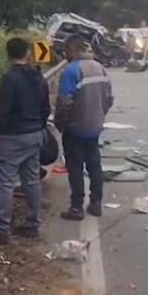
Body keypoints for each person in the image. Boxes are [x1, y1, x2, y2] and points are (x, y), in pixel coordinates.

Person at [0, 37, 51, 244]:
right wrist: (39, 126)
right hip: (35, 134)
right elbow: (46, 108)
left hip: (14, 137)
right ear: (27, 53)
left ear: (8, 54)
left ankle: (1, 229)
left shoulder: (10, 78)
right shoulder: (39, 77)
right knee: (32, 179)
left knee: (4, 183)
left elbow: (3, 111)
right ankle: (33, 224)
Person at [54, 35, 114, 220]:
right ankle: (96, 203)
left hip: (75, 128)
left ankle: (77, 207)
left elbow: (64, 103)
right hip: (94, 127)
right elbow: (109, 98)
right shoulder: (100, 68)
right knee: (95, 165)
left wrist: (61, 125)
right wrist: (98, 116)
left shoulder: (71, 71)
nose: (65, 55)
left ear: (72, 50)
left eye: (66, 51)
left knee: (75, 167)